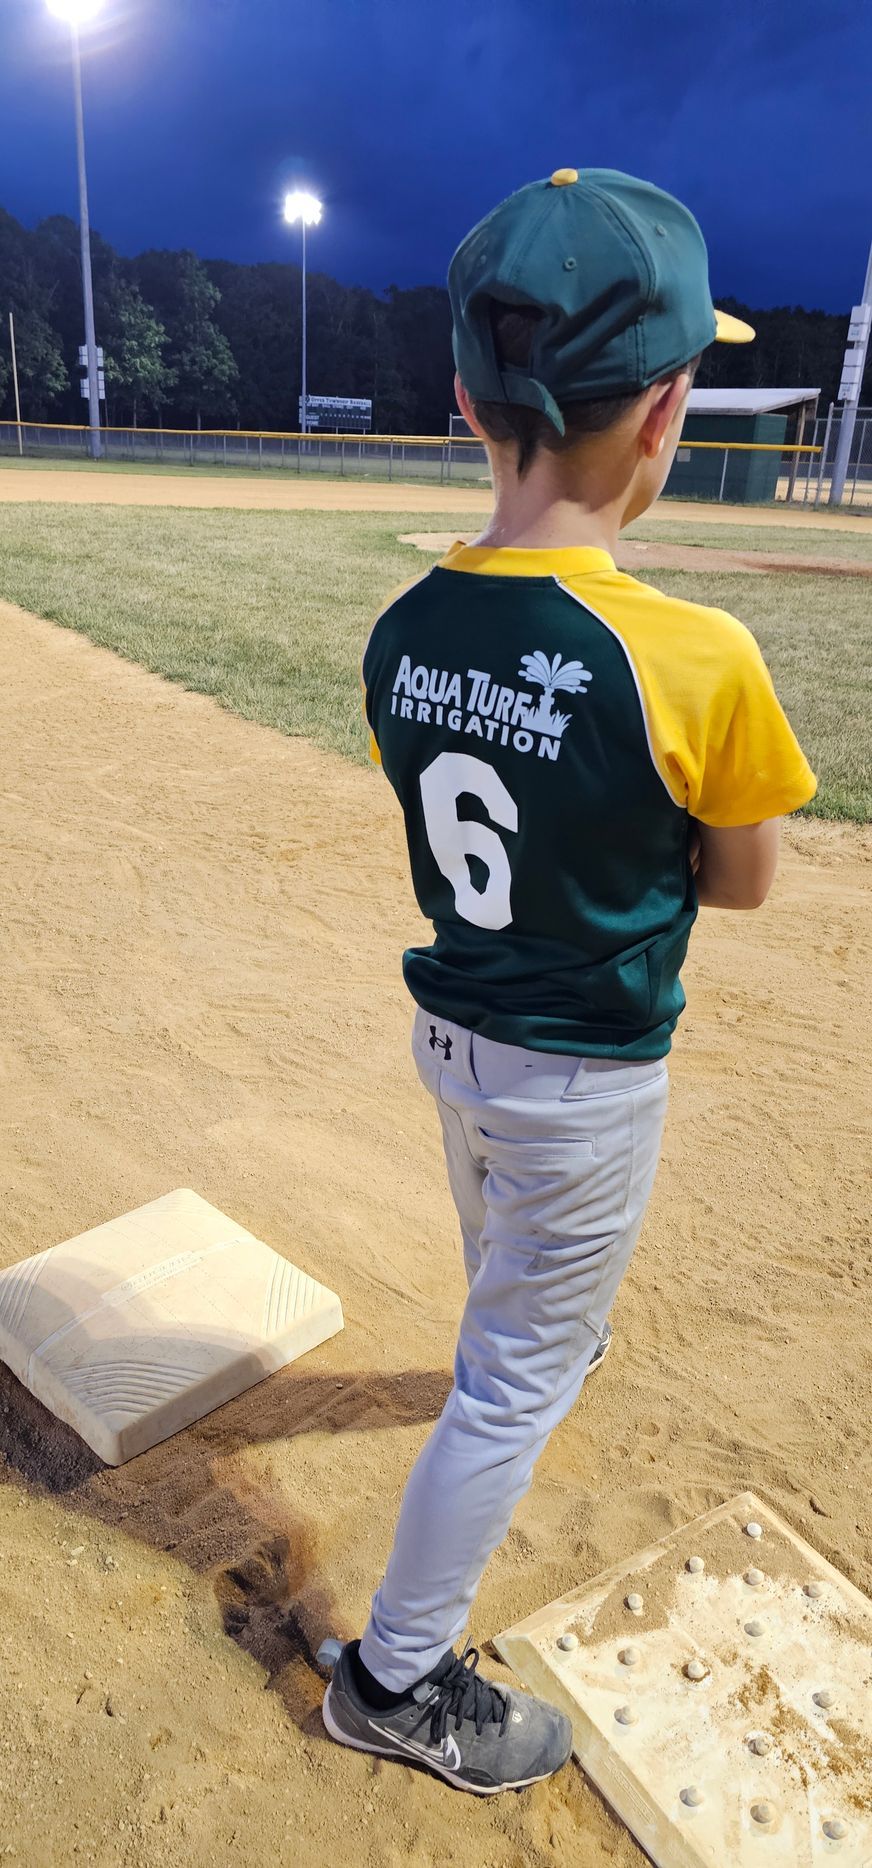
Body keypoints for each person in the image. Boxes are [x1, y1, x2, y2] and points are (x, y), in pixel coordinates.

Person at [322, 167, 817, 1795]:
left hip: (452, 1033)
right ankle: (393, 1679)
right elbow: (740, 881)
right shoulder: (693, 653)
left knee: (503, 1248)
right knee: (515, 1379)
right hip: (584, 1071)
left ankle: (527, 1334)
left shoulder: (403, 629)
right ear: (667, 411)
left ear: (468, 400)